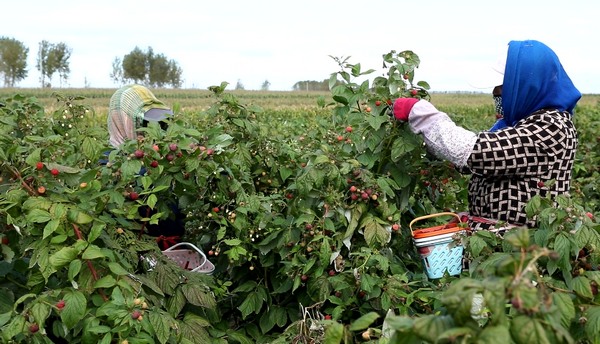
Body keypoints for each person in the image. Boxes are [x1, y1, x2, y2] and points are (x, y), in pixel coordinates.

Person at [392, 40, 581, 231]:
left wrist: (422, 114)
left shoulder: (551, 126)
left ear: (527, 87)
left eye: (502, 90)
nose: (497, 95)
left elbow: (477, 153)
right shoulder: (517, 123)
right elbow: (469, 164)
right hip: (495, 249)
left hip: (522, 252)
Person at [106, 84, 186, 242]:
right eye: (142, 123)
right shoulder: (110, 162)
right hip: (139, 246)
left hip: (173, 244)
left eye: (153, 124)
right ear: (124, 121)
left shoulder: (160, 155)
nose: (148, 130)